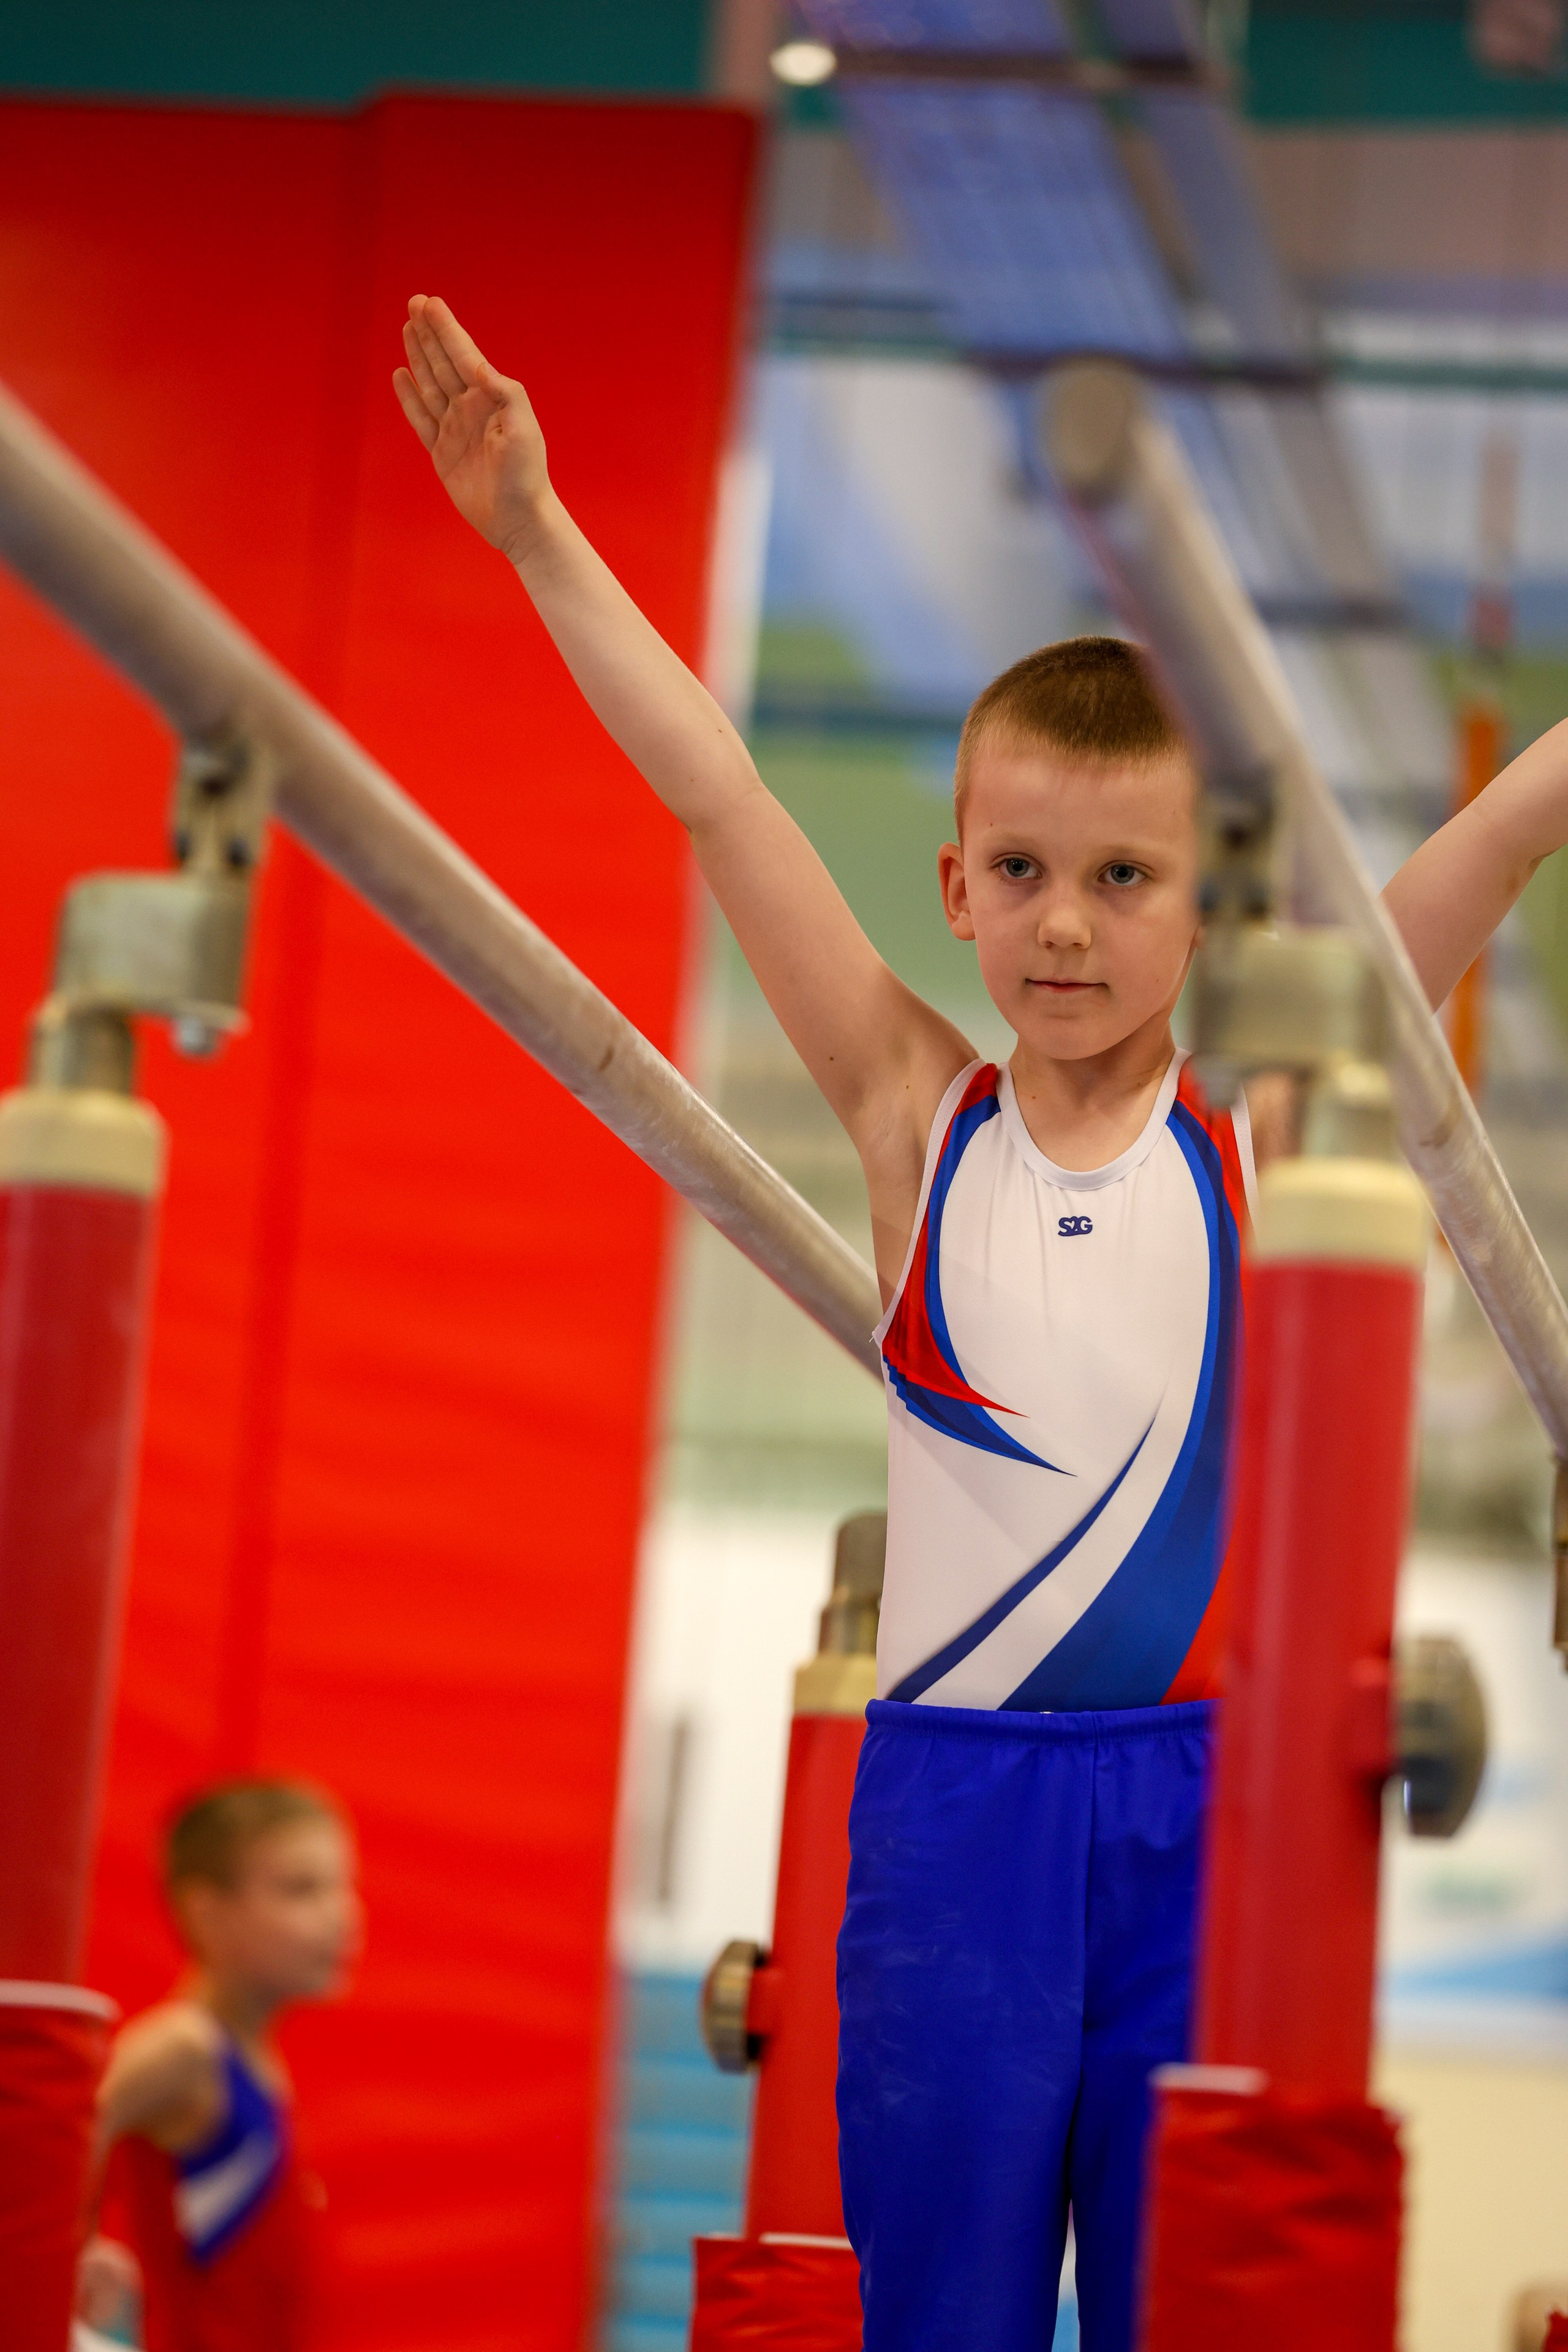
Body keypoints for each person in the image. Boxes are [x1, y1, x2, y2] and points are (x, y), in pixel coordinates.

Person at [392, 294, 1568, 2351]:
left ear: (1211, 906)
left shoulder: (1261, 1114)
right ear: (949, 885)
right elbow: (725, 799)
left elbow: (1493, 838)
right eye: (1020, 870)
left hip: (1204, 1810)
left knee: (1183, 2309)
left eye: (1124, 878)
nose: (1065, 922)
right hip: (953, 1820)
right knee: (935, 2313)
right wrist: (539, 538)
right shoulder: (910, 1117)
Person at [77, 1781, 360, 2352]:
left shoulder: (255, 2055)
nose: (343, 1915)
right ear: (207, 1912)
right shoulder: (182, 2048)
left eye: (343, 1886)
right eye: (302, 1890)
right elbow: (52, 2141)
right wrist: (74, 2248)